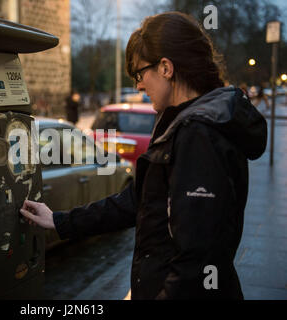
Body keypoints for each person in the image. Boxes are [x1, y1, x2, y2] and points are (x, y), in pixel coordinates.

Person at [20, 12, 267, 300]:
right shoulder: (184, 122)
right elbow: (139, 201)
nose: (138, 85)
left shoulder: (198, 133)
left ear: (165, 68)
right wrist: (61, 221)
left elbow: (198, 261)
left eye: (139, 73)